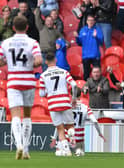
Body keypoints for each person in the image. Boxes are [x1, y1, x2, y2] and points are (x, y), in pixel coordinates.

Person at [0, 15, 42, 160]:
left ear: (13, 28)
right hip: (28, 80)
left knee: (15, 115)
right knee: (27, 115)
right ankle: (25, 149)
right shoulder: (33, 42)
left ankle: (18, 144)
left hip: (13, 80)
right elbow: (38, 61)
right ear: (27, 27)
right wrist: (30, 64)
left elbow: (0, 61)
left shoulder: (6, 43)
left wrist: (8, 62)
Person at [39, 53, 77, 156]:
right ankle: (71, 134)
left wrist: (48, 89)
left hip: (53, 104)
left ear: (46, 62)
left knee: (60, 129)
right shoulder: (64, 72)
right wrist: (73, 99)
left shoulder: (43, 76)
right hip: (65, 101)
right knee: (70, 126)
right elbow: (74, 84)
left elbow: (41, 94)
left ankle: (67, 151)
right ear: (55, 60)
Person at [50, 87, 106, 156]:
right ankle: (78, 152)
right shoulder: (85, 108)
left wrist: (54, 138)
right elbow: (95, 121)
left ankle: (64, 152)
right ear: (80, 96)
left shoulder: (65, 107)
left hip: (67, 139)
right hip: (79, 140)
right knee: (80, 156)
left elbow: (59, 124)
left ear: (70, 95)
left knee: (58, 153)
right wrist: (99, 133)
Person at [35, 0, 63, 72]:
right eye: (47, 21)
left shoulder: (56, 31)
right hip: (44, 53)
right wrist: (38, 7)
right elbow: (37, 18)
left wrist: (61, 44)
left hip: (53, 53)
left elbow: (64, 41)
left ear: (53, 22)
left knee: (53, 71)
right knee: (45, 71)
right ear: (45, 22)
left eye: (51, 21)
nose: (49, 22)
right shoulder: (41, 28)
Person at [74, 14, 104, 81]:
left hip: (95, 55)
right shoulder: (83, 30)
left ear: (94, 21)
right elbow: (79, 43)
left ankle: (99, 88)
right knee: (86, 74)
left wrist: (96, 36)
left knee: (97, 74)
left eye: (92, 20)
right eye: (89, 20)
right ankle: (86, 89)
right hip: (86, 56)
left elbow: (101, 41)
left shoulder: (97, 29)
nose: (90, 22)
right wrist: (76, 37)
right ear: (87, 21)